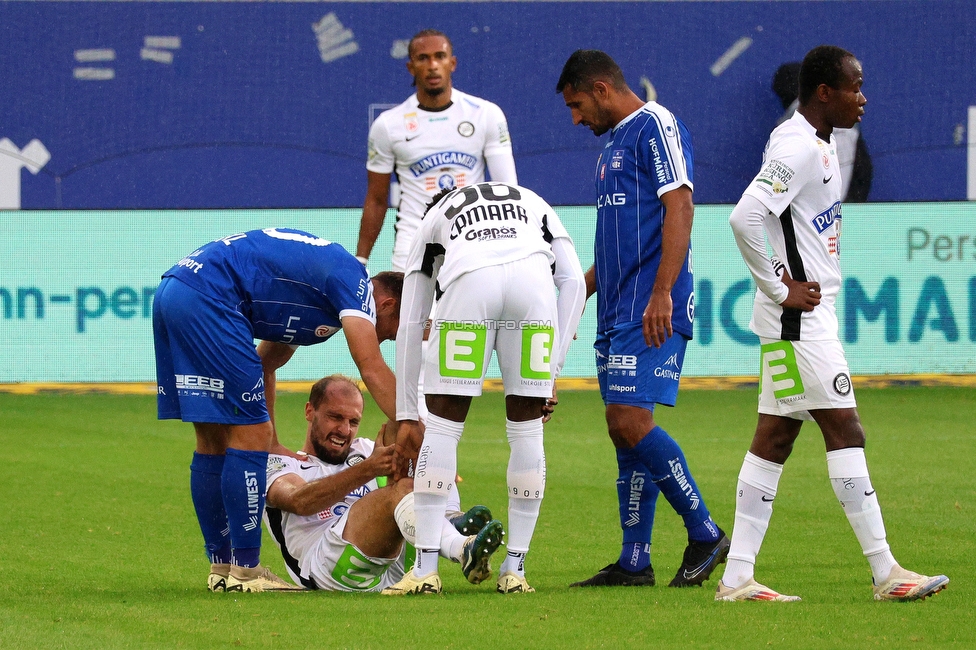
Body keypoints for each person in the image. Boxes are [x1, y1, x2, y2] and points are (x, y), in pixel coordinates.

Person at [720, 45, 948, 602]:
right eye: (855, 86)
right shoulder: (799, 146)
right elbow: (744, 215)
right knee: (846, 430)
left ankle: (736, 578)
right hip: (800, 322)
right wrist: (781, 287)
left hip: (791, 323)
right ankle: (886, 572)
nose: (863, 98)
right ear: (825, 92)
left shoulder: (815, 143)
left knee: (774, 437)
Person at [556, 50, 730, 589]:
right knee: (624, 435)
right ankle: (635, 561)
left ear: (602, 88)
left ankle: (704, 532)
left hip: (650, 307)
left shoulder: (656, 123)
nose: (576, 118)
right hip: (617, 307)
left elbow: (680, 203)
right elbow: (619, 241)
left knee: (629, 421)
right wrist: (578, 289)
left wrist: (662, 294)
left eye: (578, 105)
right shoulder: (611, 148)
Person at [152, 227, 403, 593]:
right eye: (396, 329)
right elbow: (372, 367)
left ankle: (222, 568)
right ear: (387, 306)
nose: (392, 338)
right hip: (212, 298)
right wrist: (418, 425)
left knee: (212, 438)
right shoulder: (356, 289)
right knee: (250, 435)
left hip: (176, 289)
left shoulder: (320, 302)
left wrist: (271, 441)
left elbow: (266, 363)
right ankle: (246, 572)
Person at [383, 182, 587, 595]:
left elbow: (410, 322)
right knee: (528, 432)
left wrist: (406, 414)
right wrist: (552, 372)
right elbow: (574, 284)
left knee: (441, 429)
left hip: (470, 284)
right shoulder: (532, 197)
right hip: (533, 288)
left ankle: (424, 571)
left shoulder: (432, 221)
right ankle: (516, 570)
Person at [258, 375, 505, 592]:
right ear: (310, 411)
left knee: (409, 442)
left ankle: (449, 519)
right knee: (399, 491)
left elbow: (402, 431)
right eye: (335, 417)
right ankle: (459, 545)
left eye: (353, 422)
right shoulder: (280, 464)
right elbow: (299, 501)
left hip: (392, 566)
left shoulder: (364, 449)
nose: (344, 430)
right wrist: (367, 470)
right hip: (329, 569)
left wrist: (430, 456)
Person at [356, 29, 518, 272]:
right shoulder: (388, 125)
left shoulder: (485, 114)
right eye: (423, 58)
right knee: (407, 312)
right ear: (411, 67)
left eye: (440, 56)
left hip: (472, 243)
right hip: (413, 245)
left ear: (452, 64)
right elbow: (377, 200)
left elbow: (507, 189)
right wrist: (361, 260)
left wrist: (515, 246)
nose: (432, 65)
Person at [772, 61, 873, 202]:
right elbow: (863, 170)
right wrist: (852, 204)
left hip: (808, 214)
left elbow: (778, 181)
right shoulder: (843, 118)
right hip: (844, 210)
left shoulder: (784, 127)